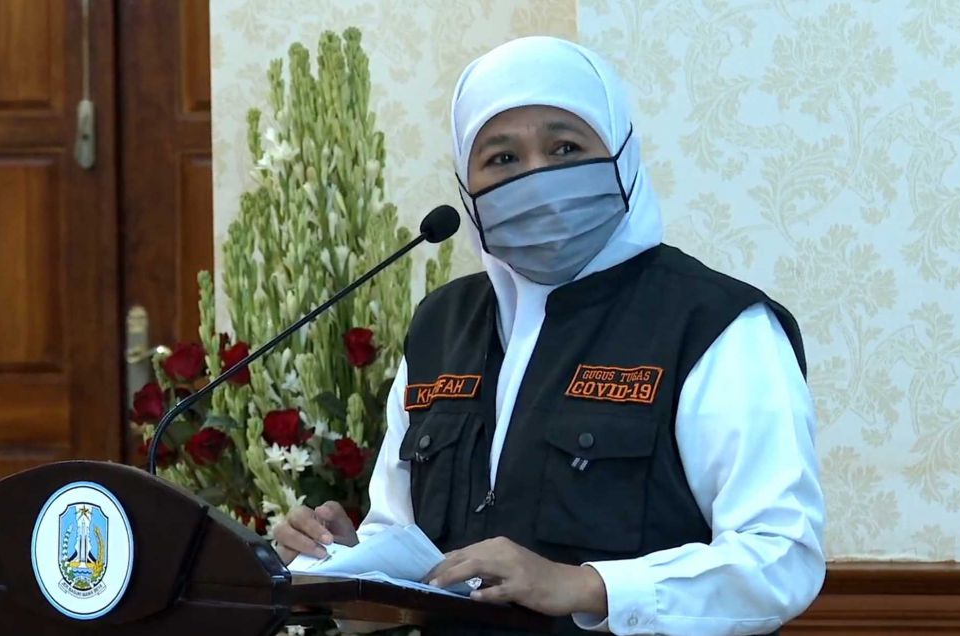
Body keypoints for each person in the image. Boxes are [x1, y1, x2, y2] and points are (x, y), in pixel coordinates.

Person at [274, 36, 825, 635]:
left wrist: (587, 586)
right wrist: (350, 562)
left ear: (620, 153)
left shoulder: (712, 324)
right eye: (503, 159)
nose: (537, 177)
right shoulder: (440, 327)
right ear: (467, 185)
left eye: (566, 148)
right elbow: (405, 539)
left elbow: (780, 558)